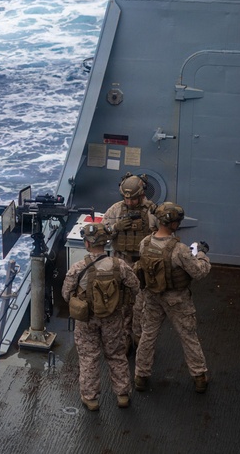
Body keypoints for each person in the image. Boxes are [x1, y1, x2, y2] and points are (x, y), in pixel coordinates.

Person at [133, 202, 211, 393]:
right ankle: (199, 377)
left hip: (152, 296)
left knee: (148, 335)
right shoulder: (180, 249)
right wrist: (202, 254)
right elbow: (199, 272)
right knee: (188, 336)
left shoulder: (145, 243)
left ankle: (140, 376)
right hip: (177, 300)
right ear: (174, 224)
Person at [62, 223, 140, 411]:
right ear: (106, 243)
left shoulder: (78, 268)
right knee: (116, 355)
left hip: (87, 320)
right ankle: (122, 395)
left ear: (87, 244)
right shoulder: (119, 265)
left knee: (89, 357)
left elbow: (66, 294)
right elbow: (135, 286)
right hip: (113, 318)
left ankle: (91, 399)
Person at [103, 173, 158, 347]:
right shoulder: (116, 210)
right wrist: (116, 227)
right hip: (121, 261)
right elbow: (101, 234)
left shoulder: (153, 211)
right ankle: (124, 339)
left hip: (143, 264)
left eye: (133, 199)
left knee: (142, 305)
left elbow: (164, 236)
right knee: (122, 303)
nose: (129, 202)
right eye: (126, 198)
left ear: (142, 195)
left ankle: (140, 341)